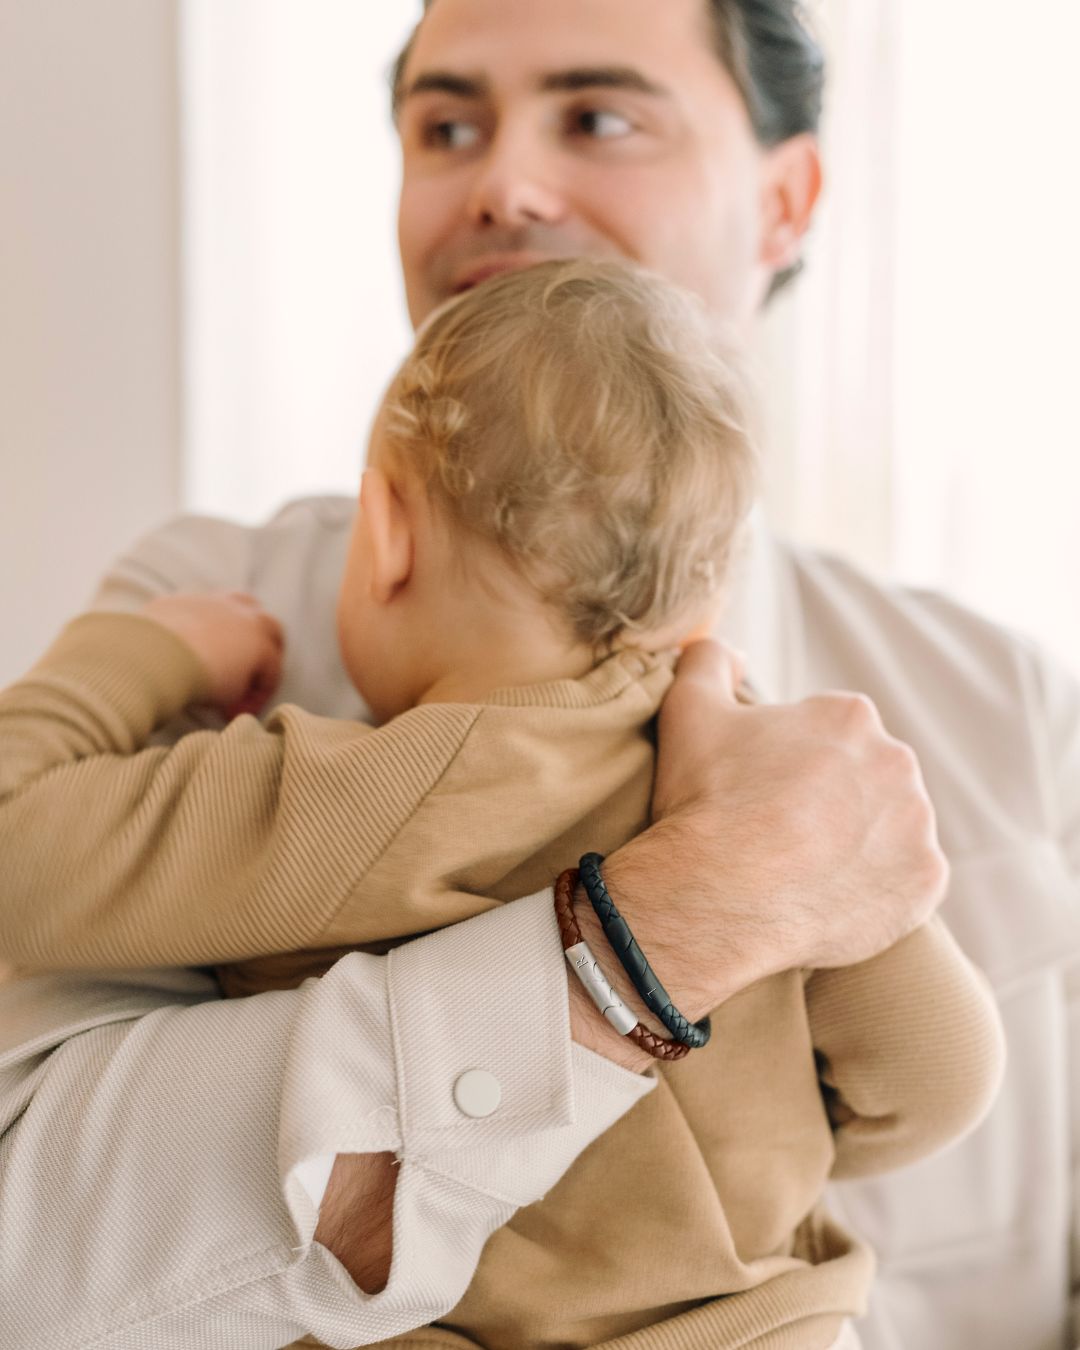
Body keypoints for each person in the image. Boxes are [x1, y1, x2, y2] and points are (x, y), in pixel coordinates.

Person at [0, 0, 1075, 1347]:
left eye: (600, 116)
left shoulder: (1014, 705)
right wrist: (660, 943)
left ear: (787, 199)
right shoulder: (209, 596)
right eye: (446, 125)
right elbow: (22, 1241)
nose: (501, 182)